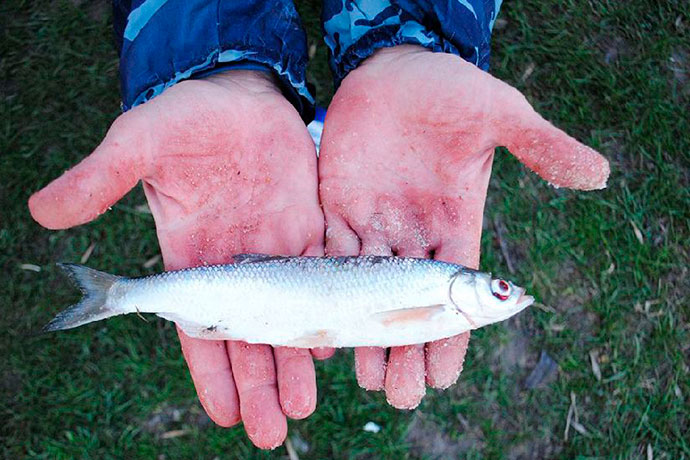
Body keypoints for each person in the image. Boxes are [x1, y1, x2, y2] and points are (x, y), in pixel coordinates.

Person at [28, 0, 609, 450]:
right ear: (463, 287)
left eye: (501, 289)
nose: (508, 295)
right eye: (499, 289)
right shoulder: (439, 290)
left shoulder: (440, 294)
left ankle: (118, 296)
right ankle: (116, 296)